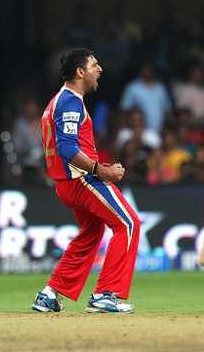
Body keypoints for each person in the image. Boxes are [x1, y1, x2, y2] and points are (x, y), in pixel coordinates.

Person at [32, 48, 140, 314]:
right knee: (128, 223)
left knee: (92, 233)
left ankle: (49, 294)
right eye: (94, 65)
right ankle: (106, 294)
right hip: (82, 180)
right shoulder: (70, 101)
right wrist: (100, 170)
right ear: (80, 72)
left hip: (65, 184)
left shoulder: (58, 101)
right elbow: (67, 148)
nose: (100, 69)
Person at [120, 63, 171, 133]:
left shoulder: (160, 88)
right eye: (145, 70)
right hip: (138, 131)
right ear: (140, 71)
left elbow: (167, 110)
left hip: (158, 130)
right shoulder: (133, 87)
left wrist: (166, 127)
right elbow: (125, 109)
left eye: (149, 70)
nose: (147, 72)